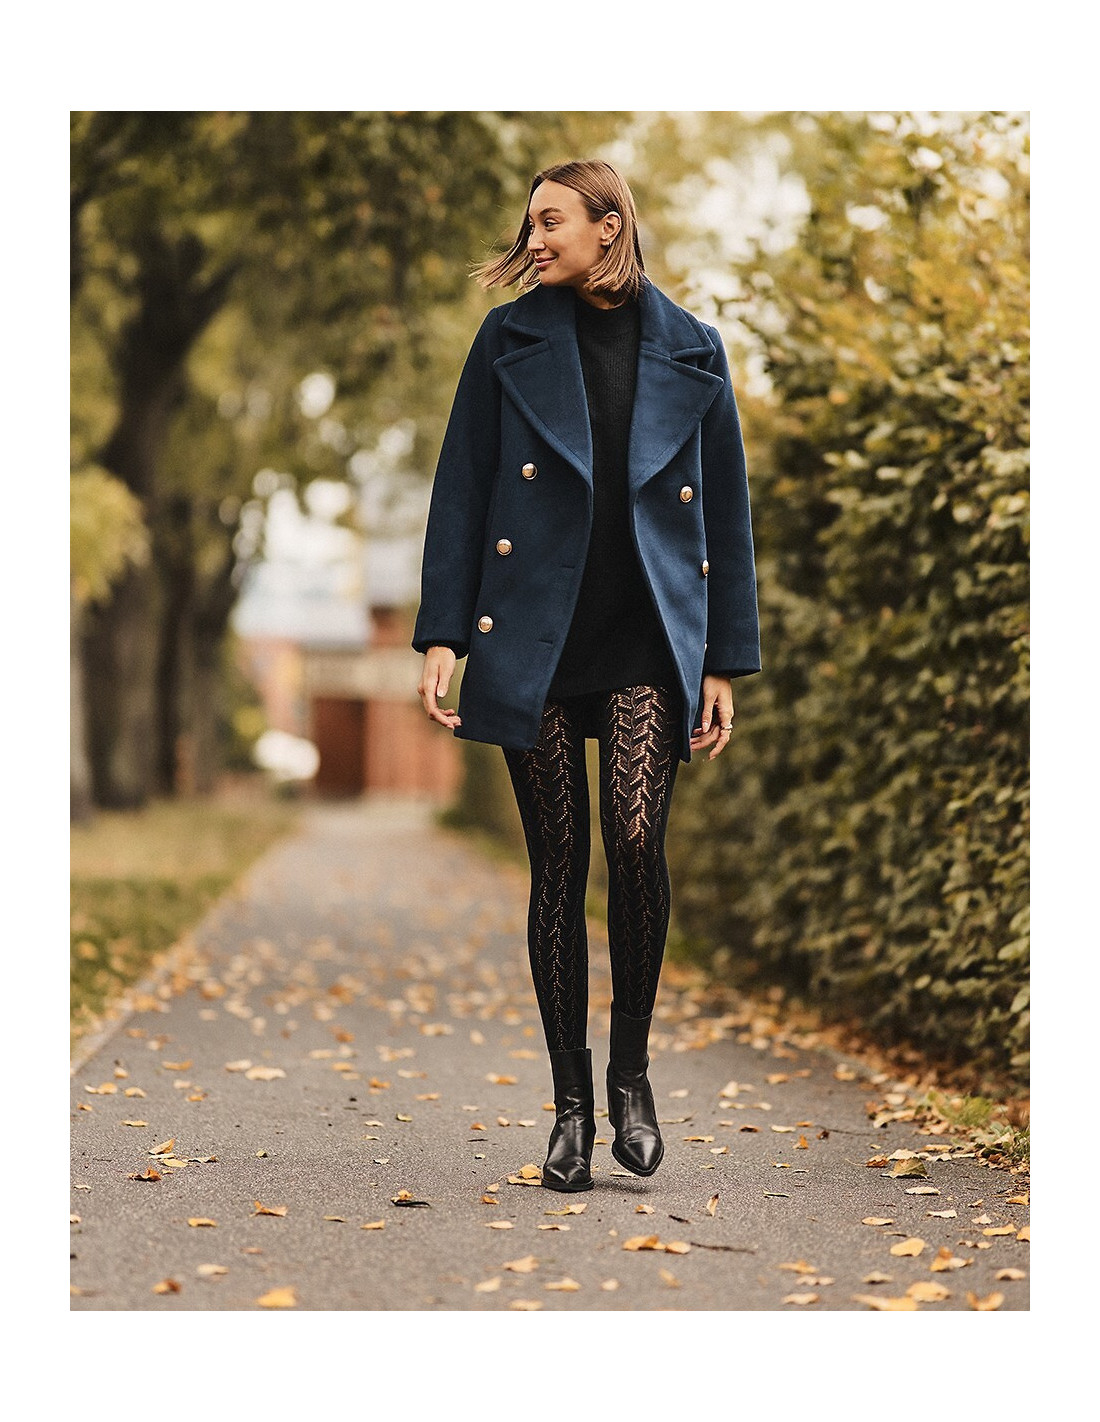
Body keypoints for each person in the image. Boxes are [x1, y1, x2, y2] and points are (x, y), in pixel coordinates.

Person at [413, 159, 761, 1192]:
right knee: (558, 868)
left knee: (638, 840)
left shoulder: (692, 346)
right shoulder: (507, 340)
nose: (534, 240)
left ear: (609, 226)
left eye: (550, 221)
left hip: (648, 634)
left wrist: (725, 658)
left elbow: (726, 511)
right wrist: (444, 634)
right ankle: (570, 1107)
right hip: (535, 634)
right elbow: (462, 486)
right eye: (530, 225)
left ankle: (631, 1078)